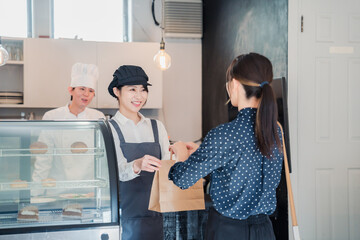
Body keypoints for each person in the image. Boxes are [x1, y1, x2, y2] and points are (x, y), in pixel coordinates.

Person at [168, 53, 283, 240]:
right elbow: (243, 169)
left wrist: (181, 155)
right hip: (265, 230)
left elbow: (182, 178)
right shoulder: (276, 131)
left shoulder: (224, 134)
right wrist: (207, 156)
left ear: (235, 84)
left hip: (228, 231)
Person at [107, 65, 170, 240]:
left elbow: (167, 168)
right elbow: (113, 173)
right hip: (122, 217)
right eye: (132, 89)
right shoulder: (109, 129)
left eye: (143, 90)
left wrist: (178, 155)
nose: (139, 96)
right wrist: (136, 164)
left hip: (156, 216)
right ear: (117, 91)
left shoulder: (157, 127)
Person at [32, 63, 105, 194]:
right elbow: (44, 158)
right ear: (71, 90)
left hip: (89, 191)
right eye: (82, 89)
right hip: (58, 191)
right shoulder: (52, 116)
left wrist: (104, 190)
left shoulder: (98, 117)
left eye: (91, 91)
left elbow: (102, 159)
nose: (86, 94)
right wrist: (35, 194)